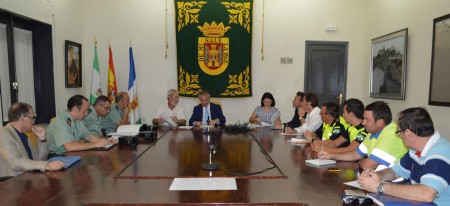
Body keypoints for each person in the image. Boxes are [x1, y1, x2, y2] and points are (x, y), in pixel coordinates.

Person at [358, 107, 450, 205]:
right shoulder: (415, 150)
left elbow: (427, 193)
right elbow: (394, 172)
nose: (400, 136)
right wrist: (376, 175)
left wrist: (379, 187)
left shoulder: (439, 154)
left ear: (408, 133)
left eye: (399, 133)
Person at [319, 101, 407, 170]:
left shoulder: (391, 134)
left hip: (393, 183)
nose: (363, 122)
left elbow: (367, 165)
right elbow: (356, 154)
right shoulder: (373, 131)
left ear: (380, 122)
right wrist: (330, 155)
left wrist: (361, 161)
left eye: (367, 120)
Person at [0, 102, 65, 178]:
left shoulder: (24, 135)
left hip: (29, 179)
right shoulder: (3, 133)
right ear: (22, 118)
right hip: (12, 183)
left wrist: (42, 140)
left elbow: (38, 160)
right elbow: (15, 162)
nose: (34, 121)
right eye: (33, 117)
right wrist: (46, 165)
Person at [46, 95, 117, 156]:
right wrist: (96, 144)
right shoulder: (60, 121)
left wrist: (105, 141)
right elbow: (69, 146)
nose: (86, 114)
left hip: (72, 154)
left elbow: (89, 136)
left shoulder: (78, 120)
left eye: (87, 111)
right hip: (58, 157)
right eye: (85, 111)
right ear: (75, 109)